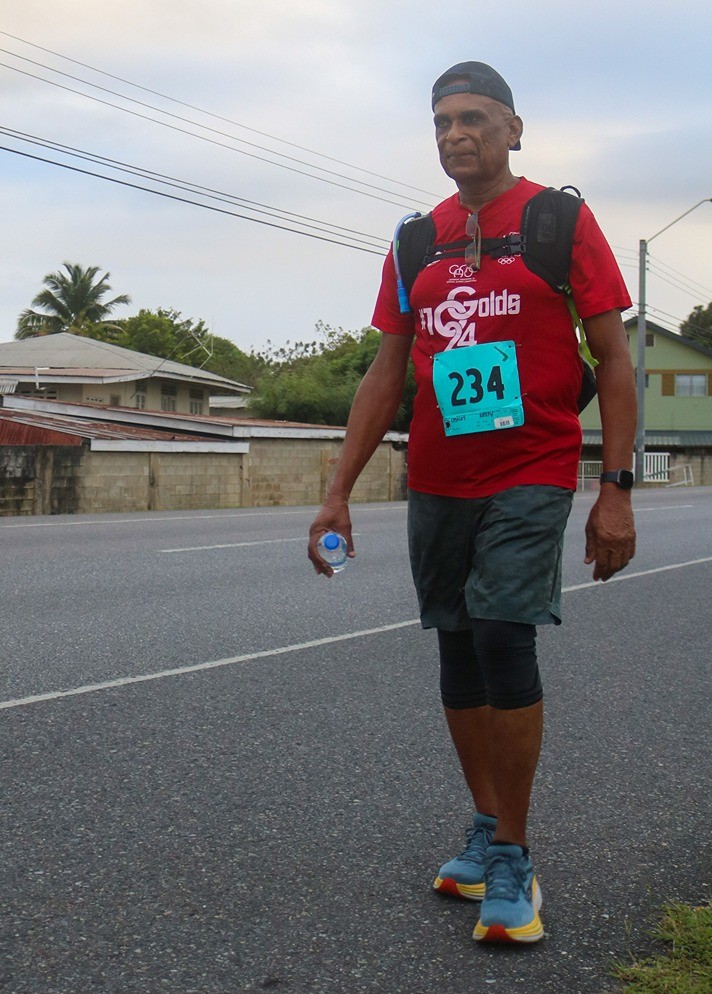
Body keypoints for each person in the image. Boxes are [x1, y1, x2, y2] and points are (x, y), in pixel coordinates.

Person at [307, 61, 636, 945]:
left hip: (532, 466)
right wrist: (337, 492)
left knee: (501, 633)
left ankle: (517, 856)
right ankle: (488, 826)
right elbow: (386, 372)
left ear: (513, 129)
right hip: (439, 477)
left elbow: (613, 358)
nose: (457, 135)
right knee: (455, 641)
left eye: (475, 119)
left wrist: (615, 489)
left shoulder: (558, 221)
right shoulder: (418, 240)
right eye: (443, 122)